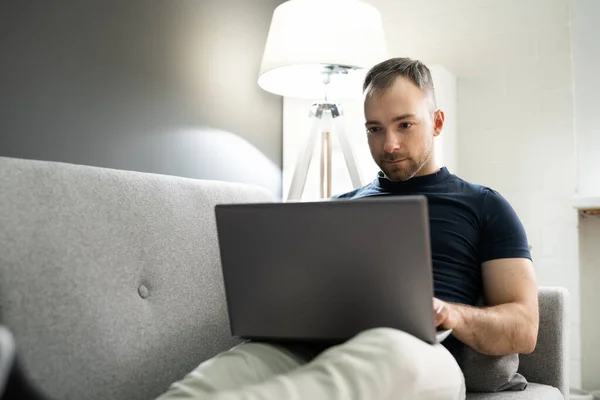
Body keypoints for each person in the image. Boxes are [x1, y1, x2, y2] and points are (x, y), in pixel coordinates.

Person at [156, 58, 539, 400]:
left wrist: (451, 314)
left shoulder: (484, 205)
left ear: (437, 122)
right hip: (318, 346)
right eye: (375, 129)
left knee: (375, 359)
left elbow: (524, 327)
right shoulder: (338, 207)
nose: (389, 144)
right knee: (226, 371)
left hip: (420, 354)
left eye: (405, 125)